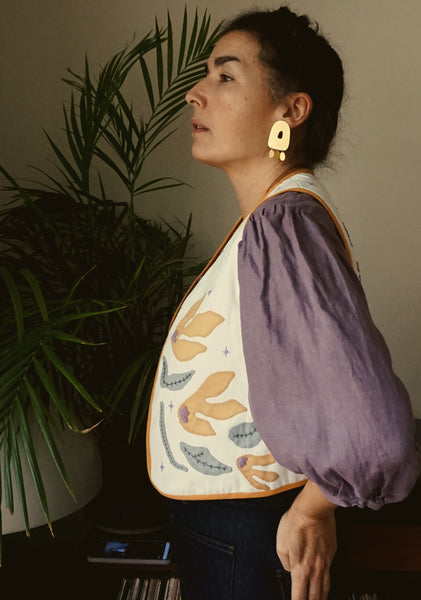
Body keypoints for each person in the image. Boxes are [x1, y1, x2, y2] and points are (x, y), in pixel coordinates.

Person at [146, 6, 421, 600]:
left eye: (225, 76)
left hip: (245, 536)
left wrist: (314, 509)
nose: (194, 93)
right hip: (234, 530)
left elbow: (377, 430)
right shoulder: (274, 220)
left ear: (290, 111)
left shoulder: (284, 224)